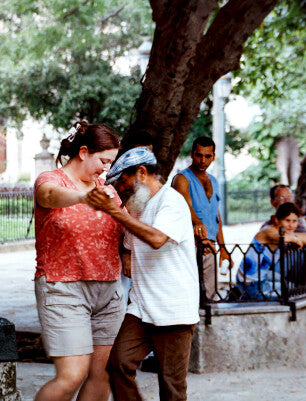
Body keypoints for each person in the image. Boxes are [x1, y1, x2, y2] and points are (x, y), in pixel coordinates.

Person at [85, 147, 199, 401]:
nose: (121, 188)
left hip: (174, 311)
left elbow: (157, 238)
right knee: (118, 365)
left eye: (123, 181)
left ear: (142, 172)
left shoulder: (171, 202)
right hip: (141, 307)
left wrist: (114, 211)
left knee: (171, 388)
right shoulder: (138, 206)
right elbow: (128, 243)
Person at [33, 121, 125, 401]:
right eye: (103, 160)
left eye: (111, 162)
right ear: (84, 152)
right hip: (64, 289)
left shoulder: (105, 188)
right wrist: (83, 196)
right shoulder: (52, 180)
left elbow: (124, 226)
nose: (106, 169)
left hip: (109, 292)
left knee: (102, 373)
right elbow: (49, 196)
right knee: (72, 376)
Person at [171, 136, 233, 301]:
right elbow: (185, 206)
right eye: (199, 155)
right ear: (192, 154)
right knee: (188, 297)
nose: (203, 160)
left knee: (209, 299)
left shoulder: (214, 181)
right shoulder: (182, 178)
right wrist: (197, 223)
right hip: (188, 246)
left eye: (207, 156)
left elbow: (216, 215)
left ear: (213, 156)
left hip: (209, 246)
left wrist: (223, 248)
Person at [233, 202, 306, 300]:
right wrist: (295, 239)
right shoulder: (268, 231)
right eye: (287, 220)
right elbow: (282, 238)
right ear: (276, 220)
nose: (291, 225)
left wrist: (294, 237)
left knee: (293, 287)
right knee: (293, 293)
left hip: (262, 279)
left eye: (294, 221)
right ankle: (241, 295)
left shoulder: (287, 233)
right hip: (249, 284)